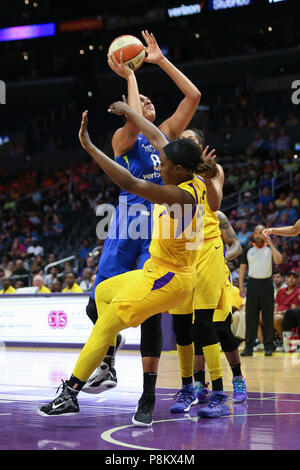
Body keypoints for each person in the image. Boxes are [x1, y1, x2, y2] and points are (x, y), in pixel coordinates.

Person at [38, 99, 217, 418]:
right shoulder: (184, 173)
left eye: (163, 166)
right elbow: (155, 135)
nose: (159, 168)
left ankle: (70, 392)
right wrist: (131, 112)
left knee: (107, 321)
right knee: (103, 294)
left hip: (171, 280)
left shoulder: (181, 196)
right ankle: (105, 355)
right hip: (156, 269)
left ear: (178, 169)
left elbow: (129, 182)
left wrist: (91, 147)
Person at [83, 30, 201, 401]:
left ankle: (148, 393)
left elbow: (193, 96)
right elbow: (132, 122)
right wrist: (132, 76)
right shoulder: (124, 138)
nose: (145, 103)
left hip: (160, 228)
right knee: (96, 303)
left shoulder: (166, 135)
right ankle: (109, 360)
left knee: (150, 312)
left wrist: (159, 60)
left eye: (149, 100)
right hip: (127, 221)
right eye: (140, 100)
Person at [167, 129, 232, 419]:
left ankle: (219, 392)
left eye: (191, 139)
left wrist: (206, 176)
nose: (186, 142)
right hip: (183, 250)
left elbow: (215, 205)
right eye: (182, 139)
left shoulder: (213, 169)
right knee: (181, 326)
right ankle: (187, 388)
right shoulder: (175, 172)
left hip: (208, 248)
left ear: (200, 145)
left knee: (204, 324)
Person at [184, 210, 247, 406]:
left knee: (221, 328)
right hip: (194, 278)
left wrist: (221, 257)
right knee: (197, 332)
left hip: (217, 276)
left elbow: (236, 244)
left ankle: (238, 379)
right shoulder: (181, 214)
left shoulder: (217, 215)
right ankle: (200, 384)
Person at [239, 225, 283, 356]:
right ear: (253, 234)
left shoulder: (270, 249)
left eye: (260, 233)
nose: (258, 235)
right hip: (252, 284)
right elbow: (242, 269)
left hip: (267, 284)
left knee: (268, 316)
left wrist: (271, 244)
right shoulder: (248, 250)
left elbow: (279, 260)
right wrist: (241, 286)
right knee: (250, 317)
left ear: (265, 234)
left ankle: (268, 347)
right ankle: (249, 347)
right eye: (256, 233)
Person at [273, 272, 300, 351]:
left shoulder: (298, 291)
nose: (291, 279)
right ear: (285, 280)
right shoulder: (280, 291)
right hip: (277, 313)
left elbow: (292, 310)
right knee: (258, 317)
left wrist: (279, 313)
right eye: (289, 277)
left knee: (277, 318)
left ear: (298, 280)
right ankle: (262, 343)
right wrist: (275, 312)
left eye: (293, 277)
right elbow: (276, 306)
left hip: (286, 314)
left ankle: (283, 341)